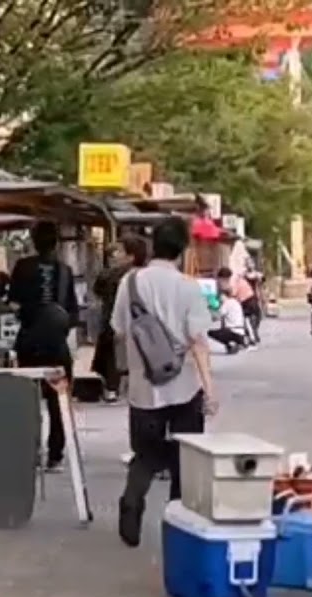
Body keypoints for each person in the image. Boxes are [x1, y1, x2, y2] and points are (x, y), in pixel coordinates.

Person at [110, 217, 217, 547]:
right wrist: (210, 391)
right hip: (183, 385)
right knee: (185, 458)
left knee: (145, 454)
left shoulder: (130, 282)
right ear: (183, 249)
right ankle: (176, 528)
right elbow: (198, 341)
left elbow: (120, 329)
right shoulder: (188, 287)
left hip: (144, 388)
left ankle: (132, 497)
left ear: (154, 244)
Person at [8, 222, 80, 472]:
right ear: (57, 243)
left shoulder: (22, 267)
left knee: (28, 400)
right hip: (57, 346)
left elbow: (14, 305)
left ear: (33, 241)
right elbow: (73, 314)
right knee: (57, 400)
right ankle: (56, 455)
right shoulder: (66, 271)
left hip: (28, 343)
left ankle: (31, 451)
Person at [91, 235, 148, 402]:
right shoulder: (146, 275)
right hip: (140, 324)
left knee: (112, 355)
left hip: (115, 321)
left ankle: (112, 388)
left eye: (120, 252)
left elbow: (99, 289)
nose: (116, 255)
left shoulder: (115, 275)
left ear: (131, 256)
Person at [208, 269, 249, 354]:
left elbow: (217, 316)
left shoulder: (227, 303)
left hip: (233, 332)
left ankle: (231, 343)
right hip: (240, 331)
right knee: (225, 328)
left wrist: (209, 312)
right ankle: (234, 344)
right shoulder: (235, 301)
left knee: (211, 333)